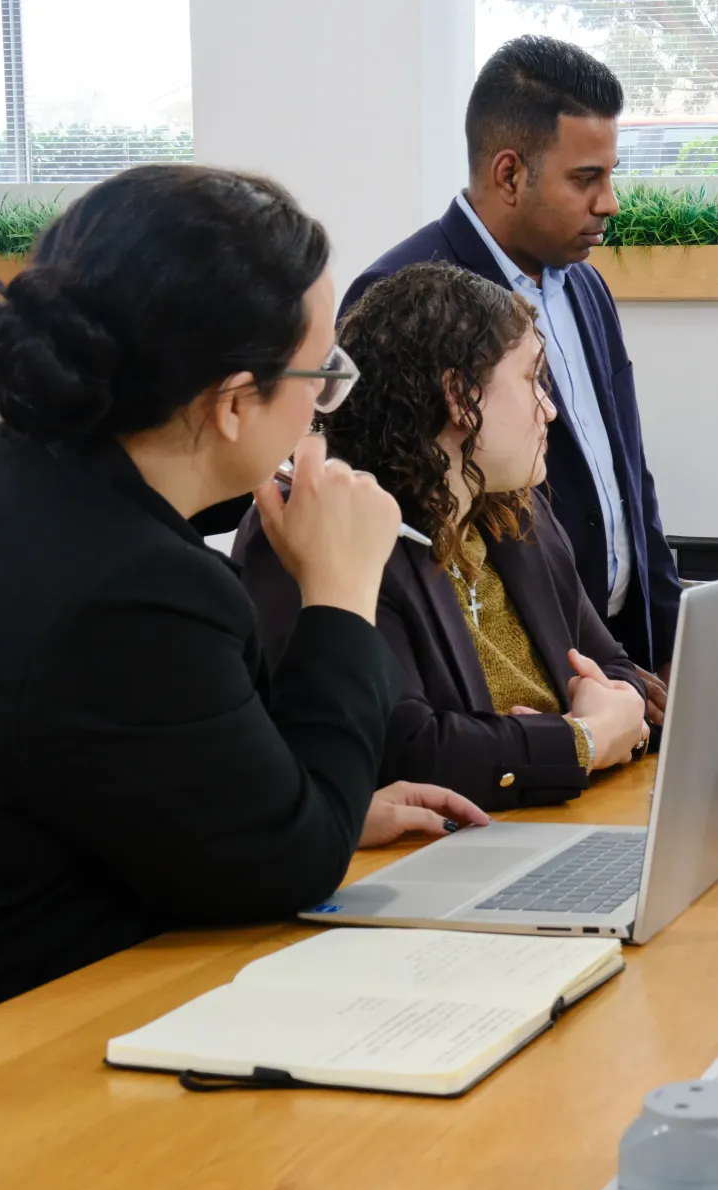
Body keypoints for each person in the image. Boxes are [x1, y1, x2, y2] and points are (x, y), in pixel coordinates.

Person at [0, 166, 487, 1026]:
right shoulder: (137, 590)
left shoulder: (4, 485)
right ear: (236, 403)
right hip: (24, 1049)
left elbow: (148, 784)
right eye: (323, 374)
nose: (323, 406)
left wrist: (313, 803)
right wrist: (343, 594)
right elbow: (289, 868)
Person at [341, 36, 680, 716]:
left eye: (610, 175)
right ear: (508, 174)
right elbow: (399, 523)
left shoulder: (586, 288)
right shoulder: (404, 296)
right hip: (504, 680)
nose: (609, 202)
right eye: (585, 179)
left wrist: (668, 638)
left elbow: (626, 470)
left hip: (614, 655)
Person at [238, 262, 649, 812]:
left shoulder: (515, 514)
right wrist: (583, 740)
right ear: (461, 397)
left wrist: (619, 715)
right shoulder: (326, 523)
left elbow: (614, 669)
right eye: (533, 379)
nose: (549, 411)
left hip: (551, 826)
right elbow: (408, 749)